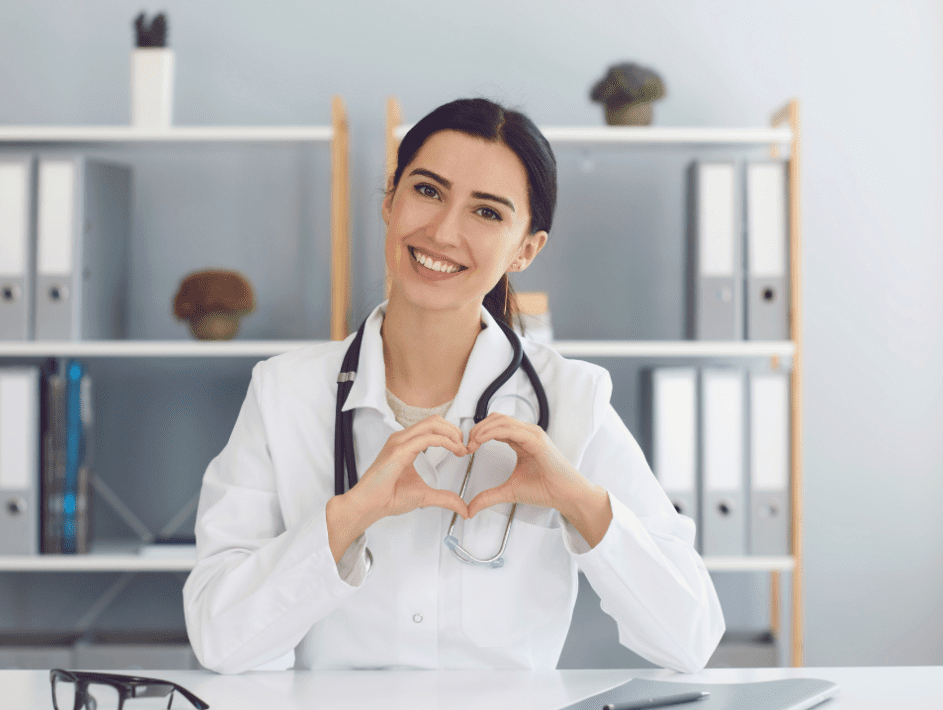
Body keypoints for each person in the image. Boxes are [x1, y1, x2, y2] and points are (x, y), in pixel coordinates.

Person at [183, 98, 724, 673]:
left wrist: (579, 501)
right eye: (427, 191)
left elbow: (689, 640)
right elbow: (220, 641)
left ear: (526, 249)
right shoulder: (285, 393)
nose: (443, 231)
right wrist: (348, 517)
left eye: (487, 213)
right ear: (390, 200)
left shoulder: (571, 399)